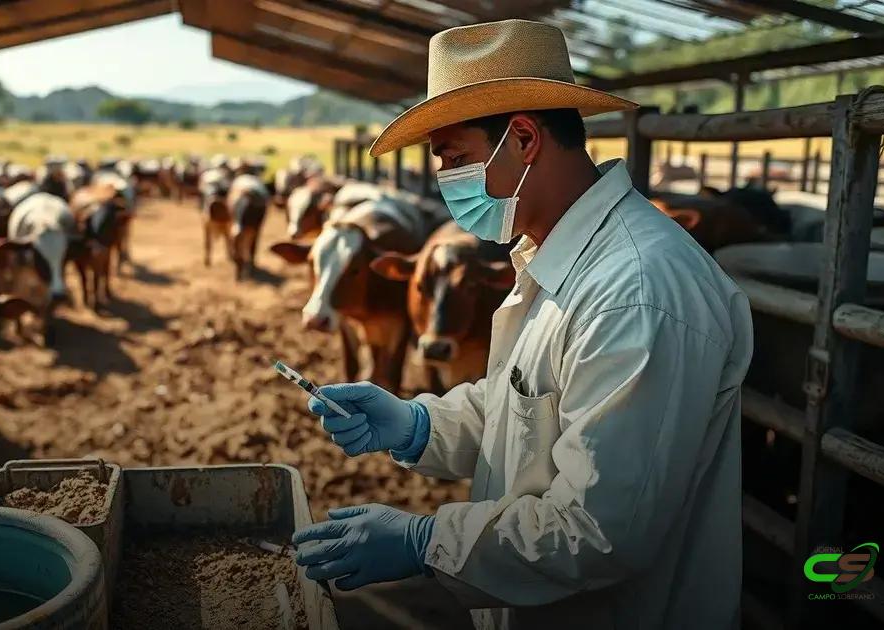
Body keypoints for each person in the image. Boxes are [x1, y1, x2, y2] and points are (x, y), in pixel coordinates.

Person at [290, 19, 752, 630]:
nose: (446, 182)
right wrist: (420, 425)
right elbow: (528, 410)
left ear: (525, 139)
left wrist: (426, 541)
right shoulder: (558, 255)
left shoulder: (635, 291)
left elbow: (599, 529)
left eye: (454, 160)